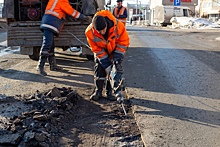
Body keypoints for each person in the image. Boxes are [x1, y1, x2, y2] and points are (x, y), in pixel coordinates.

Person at [37, 0, 91, 76]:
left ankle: (52, 65)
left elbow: (61, 11)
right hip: (51, 23)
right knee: (47, 45)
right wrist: (84, 17)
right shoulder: (62, 1)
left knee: (51, 45)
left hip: (48, 22)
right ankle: (40, 66)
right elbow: (72, 12)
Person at [85, 10, 129, 101]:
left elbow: (123, 43)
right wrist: (106, 65)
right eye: (99, 31)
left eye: (103, 30)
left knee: (114, 70)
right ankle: (98, 91)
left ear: (106, 25)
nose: (101, 32)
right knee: (99, 67)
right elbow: (97, 50)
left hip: (115, 51)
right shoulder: (89, 32)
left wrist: (116, 59)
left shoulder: (119, 26)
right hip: (102, 51)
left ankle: (110, 91)